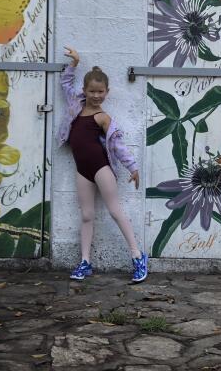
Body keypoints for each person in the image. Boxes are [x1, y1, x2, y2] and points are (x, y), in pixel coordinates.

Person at [58, 46, 148, 283]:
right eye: (92, 91)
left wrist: (133, 167)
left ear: (107, 92)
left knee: (115, 211)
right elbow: (65, 84)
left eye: (101, 92)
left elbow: (117, 145)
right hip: (82, 170)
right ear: (84, 91)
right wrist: (74, 63)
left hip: (101, 168)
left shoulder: (103, 118)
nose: (96, 96)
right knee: (86, 215)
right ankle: (85, 262)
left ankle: (138, 257)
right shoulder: (75, 107)